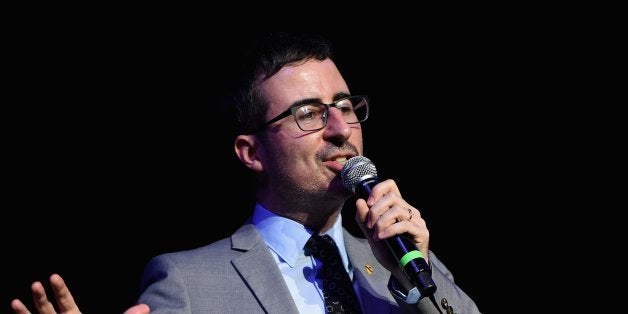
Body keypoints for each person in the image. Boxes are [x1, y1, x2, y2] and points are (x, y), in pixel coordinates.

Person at [12, 31, 480, 313]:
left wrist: (412, 277)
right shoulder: (188, 282)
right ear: (250, 152)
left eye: (344, 106)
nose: (341, 128)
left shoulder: (408, 265)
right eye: (309, 113)